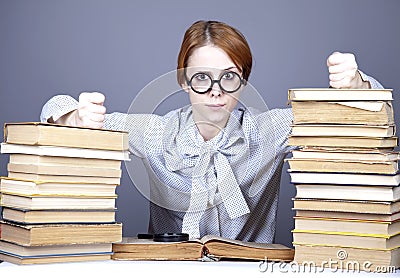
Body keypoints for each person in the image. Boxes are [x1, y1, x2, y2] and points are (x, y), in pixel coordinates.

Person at [40, 20, 383, 243]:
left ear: (244, 81)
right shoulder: (156, 133)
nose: (216, 91)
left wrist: (356, 88)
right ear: (184, 82)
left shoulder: (268, 131)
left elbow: (364, 121)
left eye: (229, 77)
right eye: (202, 77)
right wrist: (75, 118)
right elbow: (53, 109)